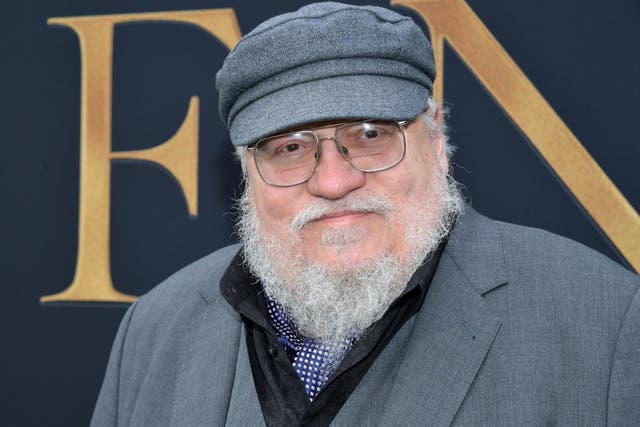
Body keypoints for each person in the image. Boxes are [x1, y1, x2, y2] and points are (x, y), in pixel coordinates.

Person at [90, 2, 640, 426]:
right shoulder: (153, 330)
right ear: (247, 174)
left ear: (438, 143)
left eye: (371, 135)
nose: (333, 181)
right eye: (289, 148)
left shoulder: (607, 323)